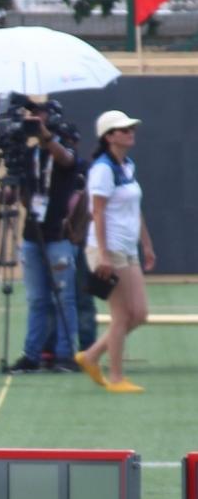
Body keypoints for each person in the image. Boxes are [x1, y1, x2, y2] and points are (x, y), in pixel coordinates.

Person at [0, 96, 81, 373]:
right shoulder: (30, 156)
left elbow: (66, 160)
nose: (34, 120)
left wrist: (45, 137)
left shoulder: (63, 148)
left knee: (64, 298)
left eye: (39, 115)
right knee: (36, 299)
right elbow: (15, 195)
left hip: (59, 237)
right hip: (33, 236)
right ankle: (32, 355)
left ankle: (66, 356)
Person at [74, 110, 155, 394]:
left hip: (127, 247)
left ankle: (92, 355)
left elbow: (135, 208)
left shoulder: (127, 165)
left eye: (131, 128)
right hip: (109, 248)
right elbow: (97, 212)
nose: (130, 132)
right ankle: (117, 378)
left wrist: (146, 243)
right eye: (123, 129)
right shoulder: (103, 169)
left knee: (140, 314)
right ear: (109, 137)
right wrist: (104, 255)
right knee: (122, 315)